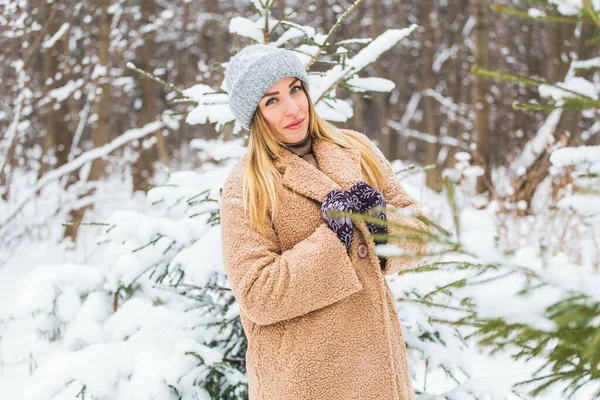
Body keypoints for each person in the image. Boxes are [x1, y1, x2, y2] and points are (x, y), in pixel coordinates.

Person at [219, 44, 429, 400]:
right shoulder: (247, 184)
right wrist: (334, 237)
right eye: (271, 101)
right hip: (304, 384)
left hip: (380, 378)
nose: (292, 108)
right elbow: (258, 293)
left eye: (295, 90)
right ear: (254, 115)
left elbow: (421, 236)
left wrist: (379, 224)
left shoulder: (355, 149)